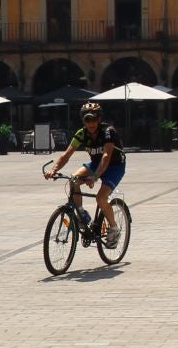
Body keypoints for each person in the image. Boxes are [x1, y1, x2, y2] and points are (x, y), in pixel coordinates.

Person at [44, 101, 124, 244]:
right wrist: (54, 169)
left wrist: (95, 177)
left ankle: (114, 228)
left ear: (99, 119)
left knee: (101, 198)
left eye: (94, 119)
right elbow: (66, 155)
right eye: (87, 120)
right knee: (73, 179)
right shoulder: (81, 133)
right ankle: (81, 214)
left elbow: (106, 156)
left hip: (115, 166)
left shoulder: (108, 131)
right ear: (83, 120)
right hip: (96, 164)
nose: (91, 123)